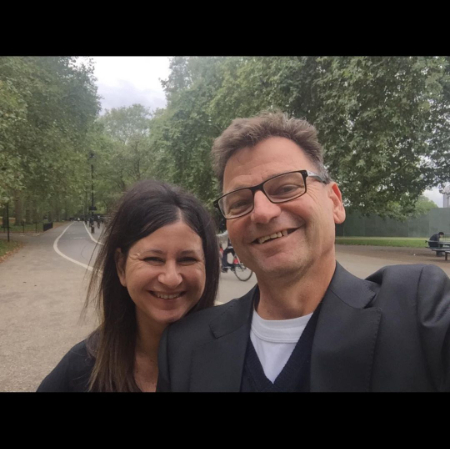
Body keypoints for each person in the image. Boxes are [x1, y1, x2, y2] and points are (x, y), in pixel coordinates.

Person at [157, 111, 450, 392]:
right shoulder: (184, 347)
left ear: (335, 202)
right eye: (239, 202)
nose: (262, 212)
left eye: (285, 188)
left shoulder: (418, 310)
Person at [37, 180, 220, 392]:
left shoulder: (237, 362)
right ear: (121, 267)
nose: (171, 278)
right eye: (153, 258)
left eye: (187, 259)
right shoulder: (78, 372)